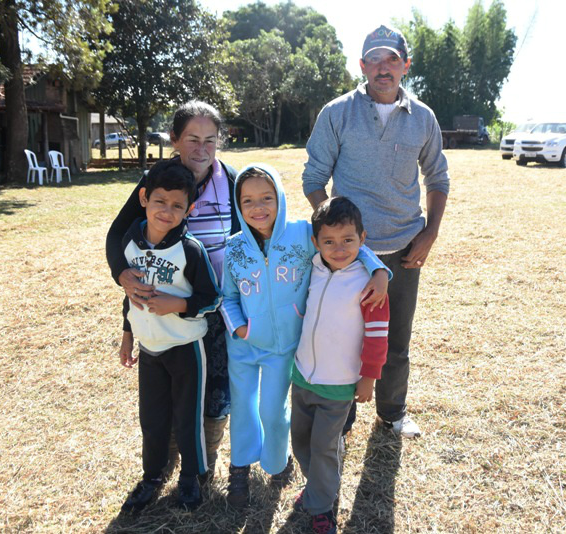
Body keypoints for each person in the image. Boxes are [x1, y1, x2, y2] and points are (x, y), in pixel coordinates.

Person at [302, 25, 450, 439]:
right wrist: (339, 236)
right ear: (362, 65)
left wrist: (430, 233)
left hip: (404, 247)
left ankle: (392, 412)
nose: (383, 68)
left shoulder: (423, 117)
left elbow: (437, 176)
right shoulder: (336, 113)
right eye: (374, 60)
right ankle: (341, 415)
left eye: (391, 59)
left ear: (405, 65)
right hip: (348, 254)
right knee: (345, 335)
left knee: (395, 337)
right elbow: (313, 177)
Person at [220, 164, 390, 507]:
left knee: (272, 410)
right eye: (248, 200)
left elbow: (344, 243)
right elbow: (227, 296)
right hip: (243, 344)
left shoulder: (301, 234)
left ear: (280, 197)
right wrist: (241, 327)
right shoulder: (234, 247)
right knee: (242, 408)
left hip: (284, 347)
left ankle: (276, 462)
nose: (258, 207)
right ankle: (239, 467)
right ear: (238, 204)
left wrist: (379, 269)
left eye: (267, 197)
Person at [106, 101, 238, 481]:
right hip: (163, 307)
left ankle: (204, 460)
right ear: (175, 140)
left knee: (214, 388)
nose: (201, 149)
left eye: (210, 140)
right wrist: (122, 275)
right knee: (168, 389)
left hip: (217, 306)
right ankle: (167, 460)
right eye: (192, 139)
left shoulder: (230, 180)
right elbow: (120, 235)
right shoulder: (160, 180)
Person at [116, 160, 221, 513]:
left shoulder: (191, 250)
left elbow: (212, 298)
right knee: (153, 418)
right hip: (149, 349)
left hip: (185, 348)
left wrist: (178, 303)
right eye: (160, 201)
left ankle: (191, 477)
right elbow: (129, 292)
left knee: (187, 417)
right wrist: (128, 333)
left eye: (178, 205)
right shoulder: (130, 239)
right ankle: (152, 477)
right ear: (144, 198)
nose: (167, 211)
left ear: (189, 209)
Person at [290, 197, 389, 534]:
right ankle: (318, 484)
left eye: (348, 240)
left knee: (324, 446)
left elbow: (377, 336)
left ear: (363, 240)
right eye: (329, 241)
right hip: (302, 375)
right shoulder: (313, 265)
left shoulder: (370, 282)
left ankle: (323, 506)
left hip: (339, 383)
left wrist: (369, 378)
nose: (339, 249)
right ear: (316, 243)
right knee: (301, 442)